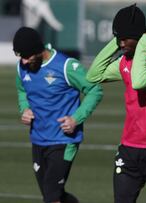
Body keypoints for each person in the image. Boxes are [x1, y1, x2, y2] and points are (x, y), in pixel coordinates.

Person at [86, 4, 146, 203]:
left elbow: (139, 81)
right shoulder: (124, 61)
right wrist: (116, 40)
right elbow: (93, 76)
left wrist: (143, 45)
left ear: (139, 36)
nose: (120, 44)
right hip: (129, 147)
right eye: (117, 38)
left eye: (123, 39)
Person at [13, 27, 103, 203]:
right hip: (38, 139)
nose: (23, 62)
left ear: (38, 50)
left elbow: (94, 90)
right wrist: (24, 109)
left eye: (26, 56)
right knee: (54, 194)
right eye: (20, 57)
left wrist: (76, 118)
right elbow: (22, 90)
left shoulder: (66, 66)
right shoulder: (21, 68)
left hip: (64, 140)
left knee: (51, 196)